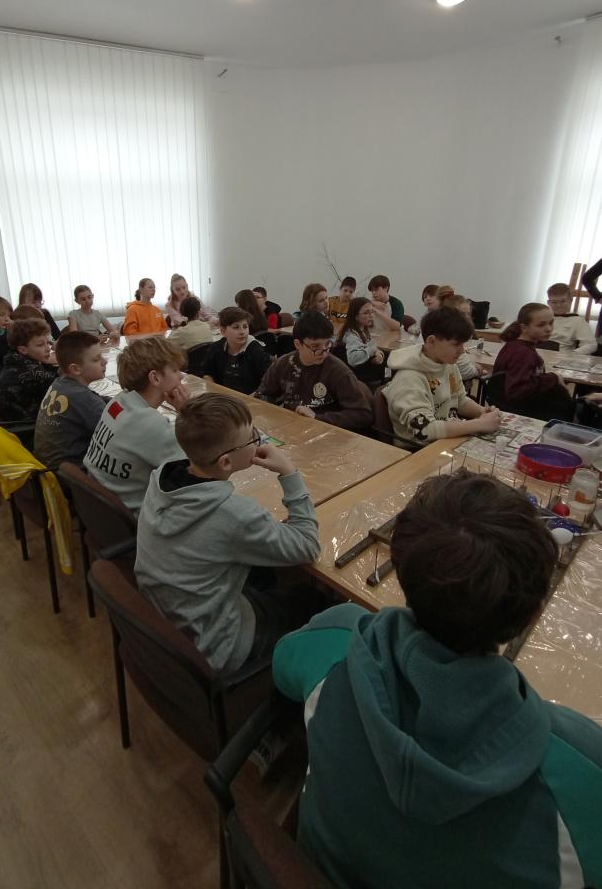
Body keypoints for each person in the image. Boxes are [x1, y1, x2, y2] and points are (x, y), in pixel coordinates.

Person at [273, 470, 602, 889]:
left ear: (400, 573)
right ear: (534, 613)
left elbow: (284, 670)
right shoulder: (580, 763)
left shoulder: (337, 640)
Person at [135, 394, 322, 673]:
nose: (258, 441)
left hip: (172, 618)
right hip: (217, 643)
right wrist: (288, 471)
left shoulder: (161, 477)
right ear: (225, 462)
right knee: (315, 600)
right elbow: (308, 545)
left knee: (265, 573)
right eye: (252, 438)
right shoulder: (234, 515)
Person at [84, 337, 188, 513]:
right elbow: (196, 464)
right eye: (175, 370)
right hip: (135, 517)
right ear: (155, 377)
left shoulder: (118, 401)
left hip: (100, 509)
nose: (181, 375)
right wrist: (185, 412)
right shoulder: (149, 423)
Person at [383, 307, 501, 445]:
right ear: (431, 341)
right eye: (456, 344)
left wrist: (483, 412)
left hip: (445, 440)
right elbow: (424, 430)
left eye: (463, 344)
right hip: (419, 450)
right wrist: (479, 424)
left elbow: (460, 400)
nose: (462, 350)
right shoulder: (409, 378)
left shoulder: (448, 364)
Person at [256, 312, 373, 432]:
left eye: (327, 344)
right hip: (291, 427)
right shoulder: (283, 364)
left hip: (324, 431)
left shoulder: (338, 371)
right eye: (315, 346)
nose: (323, 351)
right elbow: (263, 394)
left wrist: (318, 418)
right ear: (298, 344)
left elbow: (363, 415)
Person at [33, 331, 109, 470]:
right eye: (96, 359)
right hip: (72, 473)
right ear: (75, 369)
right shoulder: (83, 398)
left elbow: (97, 399)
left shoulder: (60, 383)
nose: (105, 361)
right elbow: (118, 433)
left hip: (49, 465)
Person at [492, 303, 574, 421]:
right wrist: (553, 378)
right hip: (521, 410)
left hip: (517, 407)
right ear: (524, 327)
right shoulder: (523, 353)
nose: (548, 329)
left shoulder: (515, 345)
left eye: (551, 323)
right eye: (541, 325)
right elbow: (516, 391)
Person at [0, 317, 57, 422]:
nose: (47, 349)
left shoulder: (15, 361)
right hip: (30, 424)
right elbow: (62, 389)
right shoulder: (30, 371)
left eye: (48, 343)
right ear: (23, 349)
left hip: (25, 416)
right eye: (40, 345)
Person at [202, 306, 273, 395]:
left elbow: (268, 382)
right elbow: (207, 372)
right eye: (236, 327)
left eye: (245, 327)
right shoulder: (216, 347)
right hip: (222, 397)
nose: (242, 332)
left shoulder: (255, 350)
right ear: (223, 331)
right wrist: (213, 390)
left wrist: (252, 397)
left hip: (249, 398)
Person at [336, 297, 386, 385]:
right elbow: (352, 359)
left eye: (372, 312)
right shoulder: (351, 336)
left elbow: (371, 346)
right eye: (366, 313)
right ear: (355, 316)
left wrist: (378, 353)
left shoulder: (363, 330)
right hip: (358, 379)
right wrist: (373, 350)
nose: (371, 315)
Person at [546, 282, 596, 353]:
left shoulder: (577, 321)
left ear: (570, 301)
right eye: (554, 302)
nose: (558, 305)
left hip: (561, 356)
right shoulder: (541, 317)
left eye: (563, 301)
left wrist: (572, 354)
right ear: (548, 303)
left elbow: (591, 345)